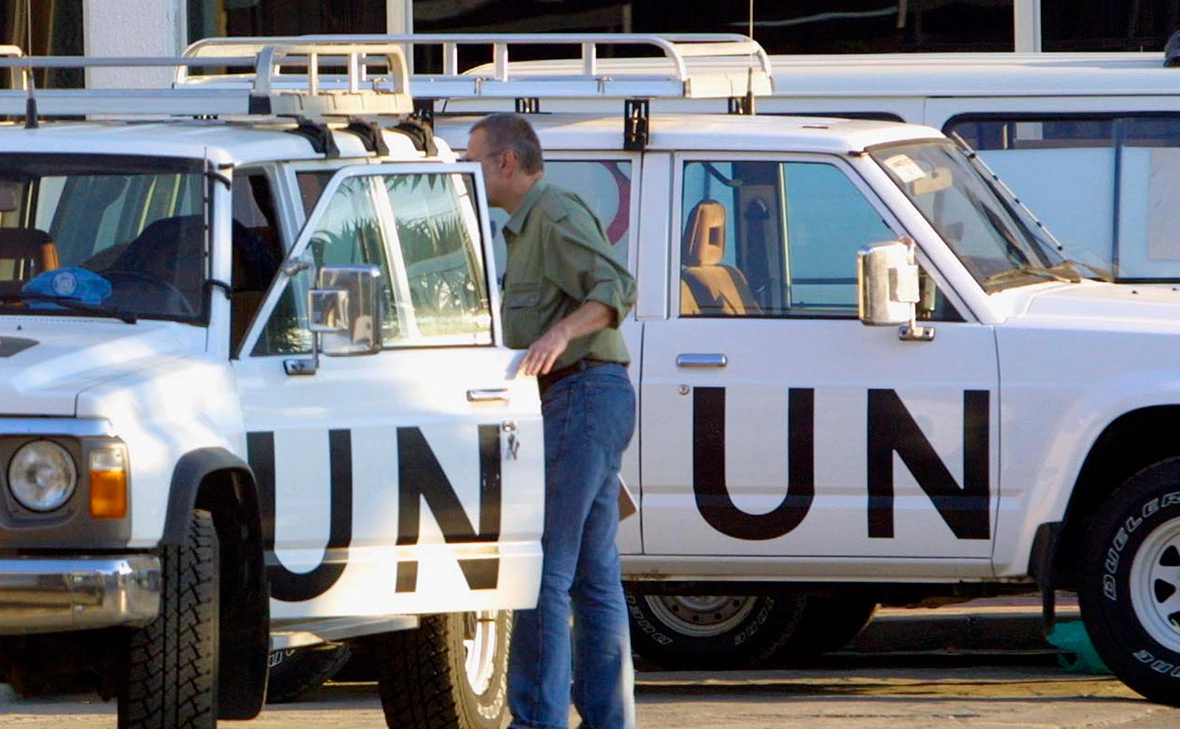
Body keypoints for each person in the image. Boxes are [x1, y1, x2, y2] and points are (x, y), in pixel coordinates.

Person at [466, 113, 637, 729]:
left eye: (475, 159)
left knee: (543, 570)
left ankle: (538, 719)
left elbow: (615, 288)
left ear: (506, 162)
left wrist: (562, 331)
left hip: (581, 396)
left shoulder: (554, 215)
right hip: (589, 399)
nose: (471, 171)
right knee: (593, 578)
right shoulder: (523, 226)